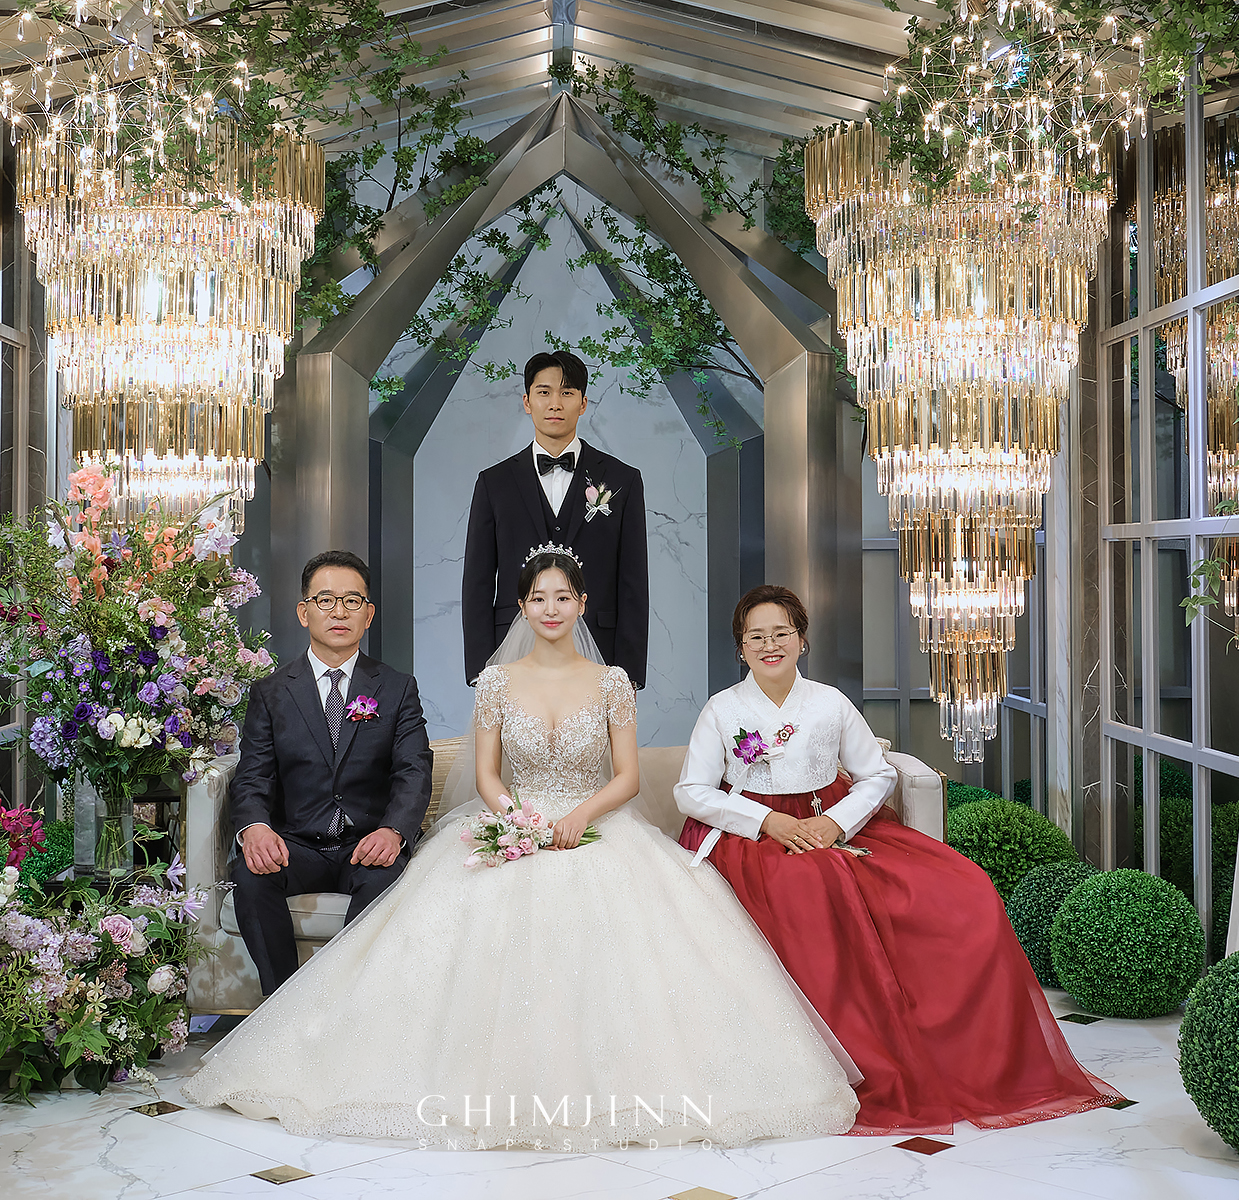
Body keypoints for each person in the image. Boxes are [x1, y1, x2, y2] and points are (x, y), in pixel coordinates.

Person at [182, 550, 860, 1148]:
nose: (551, 608)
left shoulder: (613, 681)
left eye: (564, 597)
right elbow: (486, 775)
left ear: (582, 604)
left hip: (598, 826)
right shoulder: (496, 683)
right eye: (539, 598)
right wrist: (517, 822)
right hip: (515, 822)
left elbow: (626, 776)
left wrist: (580, 816)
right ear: (523, 607)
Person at [674, 584, 1124, 1136]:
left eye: (782, 633)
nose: (771, 645)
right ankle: (849, 1062)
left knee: (965, 888)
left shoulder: (830, 702)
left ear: (802, 640)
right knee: (809, 889)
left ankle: (966, 1053)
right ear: (740, 648)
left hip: (828, 823)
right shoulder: (722, 709)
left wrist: (834, 822)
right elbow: (692, 791)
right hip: (753, 838)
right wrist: (769, 822)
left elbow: (876, 774)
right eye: (756, 637)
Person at [225, 550, 432, 994]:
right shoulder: (271, 693)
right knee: (250, 873)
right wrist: (255, 827)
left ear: (368, 615)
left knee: (389, 880)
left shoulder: (397, 688)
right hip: (296, 844)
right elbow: (253, 774)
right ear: (304, 612)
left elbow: (413, 770)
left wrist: (394, 830)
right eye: (325, 600)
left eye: (352, 601)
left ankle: (346, 1006)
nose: (339, 612)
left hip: (366, 843)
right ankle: (283, 1004)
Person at [461, 350, 649, 688]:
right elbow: (478, 581)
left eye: (567, 392)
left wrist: (630, 674)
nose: (555, 404)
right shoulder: (494, 483)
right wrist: (480, 670)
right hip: (512, 652)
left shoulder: (623, 479)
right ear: (527, 401)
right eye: (544, 392)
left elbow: (633, 581)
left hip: (600, 650)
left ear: (583, 403)